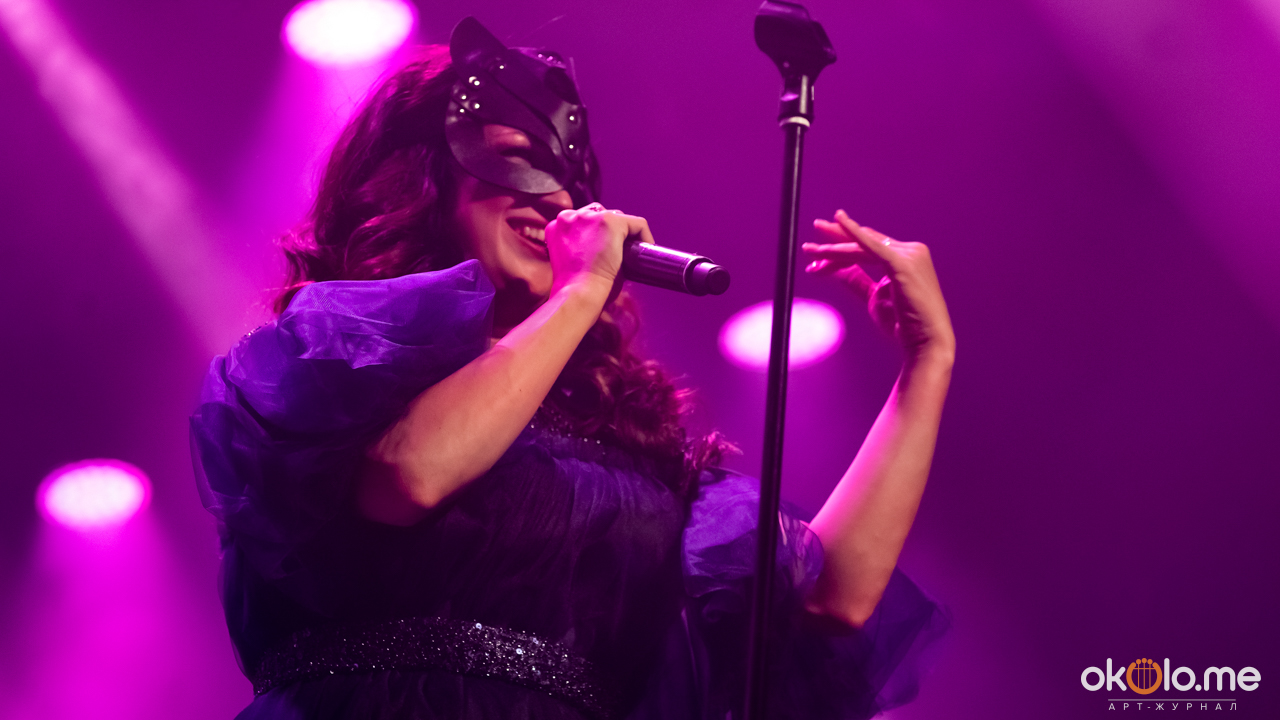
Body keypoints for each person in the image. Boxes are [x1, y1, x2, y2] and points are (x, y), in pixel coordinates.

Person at [191, 17, 953, 720]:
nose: (557, 199)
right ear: (428, 180)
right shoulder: (342, 350)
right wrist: (581, 291)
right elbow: (411, 474)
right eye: (516, 161)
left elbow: (827, 597)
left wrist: (927, 362)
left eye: (571, 178)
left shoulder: (622, 444)